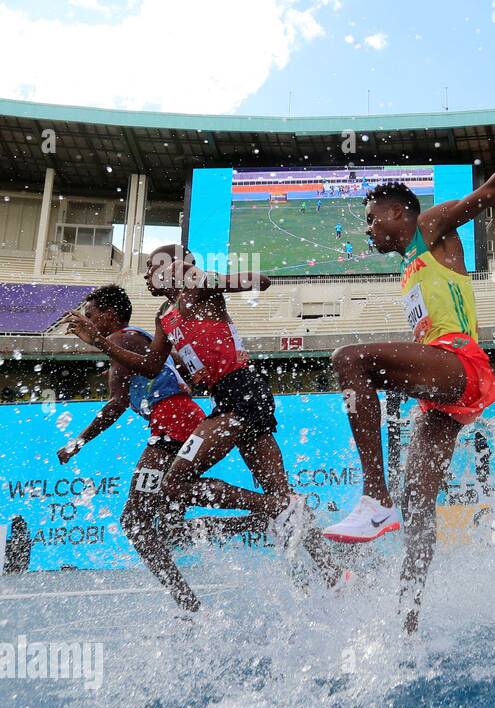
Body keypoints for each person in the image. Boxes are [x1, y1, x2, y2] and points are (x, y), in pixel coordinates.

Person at [326, 97, 495, 633]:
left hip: (463, 365)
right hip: (446, 390)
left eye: (371, 217)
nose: (367, 229)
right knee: (419, 499)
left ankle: (372, 496)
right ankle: (409, 618)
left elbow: (491, 192)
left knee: (348, 359)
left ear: (399, 211)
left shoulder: (429, 227)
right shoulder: (407, 265)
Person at [64, 246, 349, 609]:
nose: (146, 274)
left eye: (151, 267)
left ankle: (271, 507)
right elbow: (152, 367)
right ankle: (334, 573)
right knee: (285, 495)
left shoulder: (197, 290)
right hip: (227, 398)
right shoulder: (164, 316)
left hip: (242, 392)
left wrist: (208, 279)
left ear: (171, 269)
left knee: (178, 483)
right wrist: (183, 372)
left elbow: (260, 280)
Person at [59, 285, 268, 610]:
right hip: (179, 417)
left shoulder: (120, 339)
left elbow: (116, 403)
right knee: (172, 530)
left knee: (134, 519)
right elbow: (166, 368)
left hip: (173, 421)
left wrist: (78, 441)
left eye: (91, 315)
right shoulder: (132, 339)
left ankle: (187, 600)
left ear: (110, 314)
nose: (86, 321)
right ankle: (262, 518)